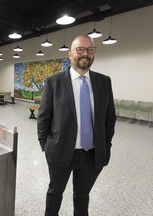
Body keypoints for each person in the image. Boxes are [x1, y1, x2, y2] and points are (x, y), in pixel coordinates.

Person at [37, 35, 116, 216]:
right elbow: (44, 117)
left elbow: (109, 118)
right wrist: (46, 146)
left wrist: (106, 145)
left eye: (90, 50)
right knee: (55, 193)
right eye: (80, 49)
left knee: (82, 196)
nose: (85, 54)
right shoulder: (54, 82)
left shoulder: (104, 81)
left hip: (92, 154)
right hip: (61, 151)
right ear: (70, 54)